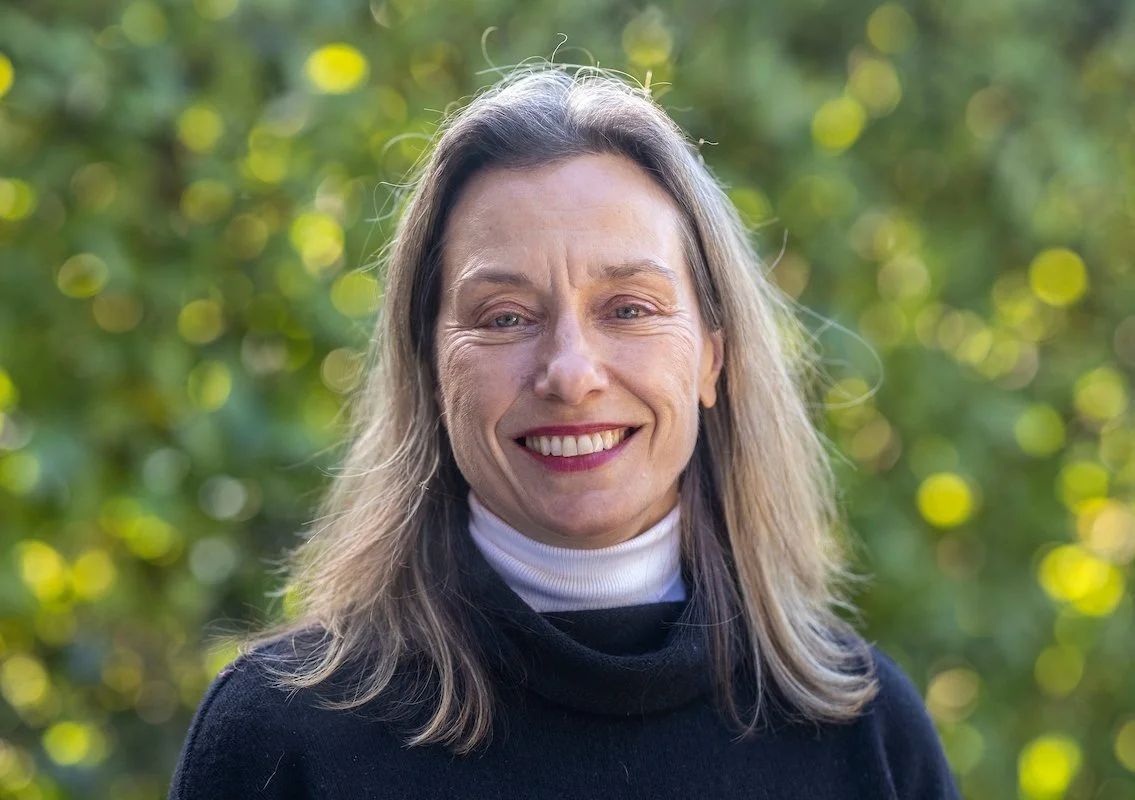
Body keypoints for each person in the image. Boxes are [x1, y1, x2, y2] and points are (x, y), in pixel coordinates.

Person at [168, 66, 961, 799]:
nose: (571, 373)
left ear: (711, 358)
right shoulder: (280, 739)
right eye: (505, 317)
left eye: (628, 308)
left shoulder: (863, 733)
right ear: (431, 371)